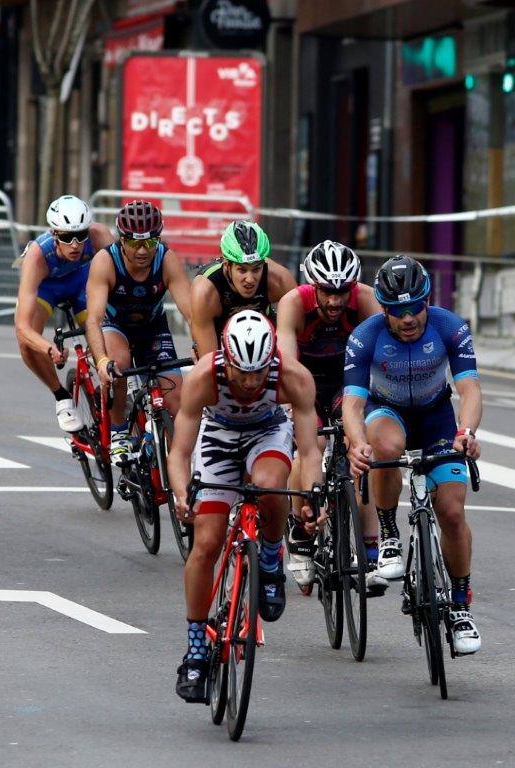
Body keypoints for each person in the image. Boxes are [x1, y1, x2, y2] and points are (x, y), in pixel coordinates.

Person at [168, 310, 325, 702]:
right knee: (206, 543)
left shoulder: (294, 378)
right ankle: (196, 648)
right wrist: (181, 492)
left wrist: (313, 497)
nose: (252, 382)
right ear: (226, 359)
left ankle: (270, 560)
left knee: (272, 486)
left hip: (267, 432)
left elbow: (308, 452)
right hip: (217, 438)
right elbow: (180, 452)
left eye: (260, 372)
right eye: (243, 373)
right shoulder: (204, 377)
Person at [341, 254, 483, 655]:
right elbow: (352, 404)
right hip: (388, 413)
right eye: (397, 312)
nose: (408, 319)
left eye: (415, 308)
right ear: (384, 309)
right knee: (384, 448)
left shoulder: (450, 327)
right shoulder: (365, 336)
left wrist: (467, 431)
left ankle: (459, 604)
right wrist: (357, 443)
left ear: (427, 301)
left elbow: (470, 389)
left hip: (436, 418)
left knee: (452, 511)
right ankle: (388, 534)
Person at [275, 240, 382, 594]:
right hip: (304, 381)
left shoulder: (365, 300)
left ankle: (370, 551)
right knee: (311, 446)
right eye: (327, 292)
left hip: (344, 382)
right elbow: (287, 364)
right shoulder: (294, 304)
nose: (335, 301)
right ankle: (297, 526)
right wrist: (294, 409)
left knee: (361, 453)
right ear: (312, 286)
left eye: (342, 292)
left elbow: (379, 358)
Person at [84, 200, 192, 465]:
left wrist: (201, 348)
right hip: (115, 325)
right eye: (134, 243)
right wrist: (101, 361)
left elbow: (192, 313)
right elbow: (94, 320)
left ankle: (166, 463)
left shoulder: (167, 259)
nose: (143, 250)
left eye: (150, 242)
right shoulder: (105, 261)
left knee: (176, 401)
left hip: (152, 328)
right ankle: (119, 431)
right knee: (118, 364)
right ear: (122, 240)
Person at [14, 195, 115, 432]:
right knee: (26, 343)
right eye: (67, 237)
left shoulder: (99, 235)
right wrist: (49, 349)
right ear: (54, 234)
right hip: (47, 287)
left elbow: (118, 281)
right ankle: (62, 397)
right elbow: (23, 327)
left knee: (107, 330)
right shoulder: (37, 256)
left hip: (82, 281)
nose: (75, 245)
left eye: (80, 235)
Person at [189, 220, 296, 358]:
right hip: (218, 338)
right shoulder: (205, 291)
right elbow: (209, 364)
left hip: (263, 333)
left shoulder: (279, 279)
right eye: (242, 270)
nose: (250, 279)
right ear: (227, 265)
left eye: (256, 269)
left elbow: (301, 332)